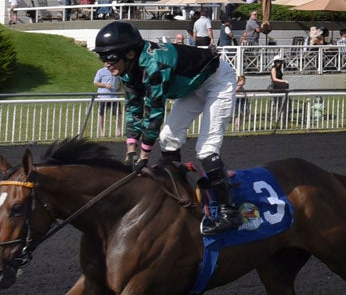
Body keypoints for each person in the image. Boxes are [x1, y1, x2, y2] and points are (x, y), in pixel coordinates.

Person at [92, 21, 240, 235]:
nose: (106, 63)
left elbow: (154, 111)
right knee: (168, 137)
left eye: (111, 57)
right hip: (193, 85)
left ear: (130, 54)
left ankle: (230, 213)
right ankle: (177, 192)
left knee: (206, 148)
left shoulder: (154, 64)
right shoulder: (126, 70)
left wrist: (144, 155)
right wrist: (131, 150)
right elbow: (134, 108)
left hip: (218, 82)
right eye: (102, 57)